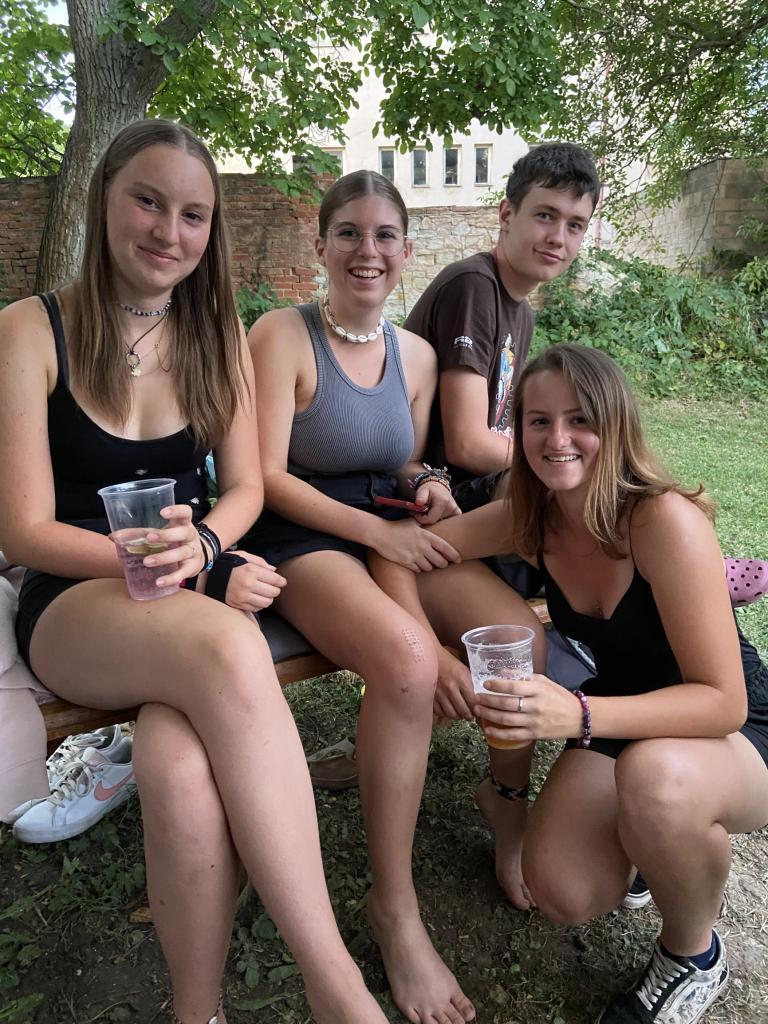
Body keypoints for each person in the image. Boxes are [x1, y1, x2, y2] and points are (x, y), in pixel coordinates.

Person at [0, 119, 391, 1024]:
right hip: (77, 599)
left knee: (176, 766)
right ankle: (337, 988)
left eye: (192, 215)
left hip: (192, 592)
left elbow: (247, 486)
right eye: (147, 201)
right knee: (224, 647)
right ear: (103, 199)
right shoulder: (29, 330)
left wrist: (205, 547)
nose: (167, 231)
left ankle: (196, 1012)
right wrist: (165, 564)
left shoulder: (217, 332)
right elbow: (22, 529)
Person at [371, 343, 768, 1024]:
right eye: (538, 421)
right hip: (625, 713)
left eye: (580, 419)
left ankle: (693, 953)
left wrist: (577, 715)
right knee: (560, 889)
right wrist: (429, 654)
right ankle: (650, 846)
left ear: (615, 424)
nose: (557, 439)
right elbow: (399, 554)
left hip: (732, 730)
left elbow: (722, 702)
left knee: (657, 782)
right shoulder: (536, 519)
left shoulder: (660, 520)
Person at [238, 168, 519, 1024]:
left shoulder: (419, 356)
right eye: (350, 233)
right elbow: (267, 476)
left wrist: (429, 483)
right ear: (321, 245)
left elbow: (404, 459)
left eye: (386, 235)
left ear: (406, 249)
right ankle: (394, 909)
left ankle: (510, 815)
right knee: (407, 661)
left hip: (386, 528)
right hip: (300, 535)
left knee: (514, 634)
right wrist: (378, 534)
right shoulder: (280, 335)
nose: (369, 250)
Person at [404, 142, 601, 515]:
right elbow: (467, 445)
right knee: (576, 492)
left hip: (473, 483)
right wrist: (573, 463)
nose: (558, 238)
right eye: (545, 215)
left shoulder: (521, 312)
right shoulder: (473, 286)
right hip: (434, 490)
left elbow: (498, 427)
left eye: (574, 225)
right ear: (507, 214)